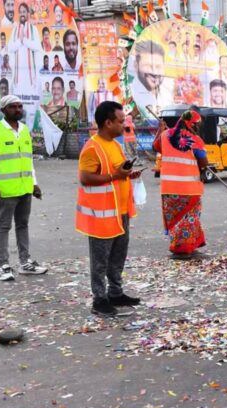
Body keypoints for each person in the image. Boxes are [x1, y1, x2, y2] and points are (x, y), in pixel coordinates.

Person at [76, 101, 142, 316]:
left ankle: (115, 292)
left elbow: (117, 172)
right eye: (121, 121)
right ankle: (99, 299)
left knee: (118, 256)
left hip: (121, 212)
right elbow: (85, 178)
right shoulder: (92, 147)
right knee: (100, 260)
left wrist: (128, 174)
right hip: (101, 216)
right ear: (108, 123)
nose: (125, 125)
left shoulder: (115, 145)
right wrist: (116, 175)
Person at [0, 95, 48, 281]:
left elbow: (28, 159)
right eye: (13, 107)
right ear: (3, 110)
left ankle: (25, 263)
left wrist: (34, 183)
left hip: (25, 187)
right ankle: (3, 265)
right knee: (4, 226)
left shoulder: (25, 130)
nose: (18, 110)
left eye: (19, 106)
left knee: (23, 225)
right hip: (5, 189)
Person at [153, 108, 209, 257]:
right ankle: (182, 249)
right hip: (189, 189)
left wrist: (161, 130)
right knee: (189, 219)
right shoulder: (195, 139)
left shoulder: (165, 135)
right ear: (192, 123)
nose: (198, 128)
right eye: (197, 124)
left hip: (168, 189)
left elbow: (155, 147)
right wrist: (203, 168)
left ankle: (189, 244)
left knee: (176, 219)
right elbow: (204, 162)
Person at [7, 2, 42, 94]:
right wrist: (19, 41)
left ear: (28, 13)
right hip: (18, 76)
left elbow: (37, 46)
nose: (22, 14)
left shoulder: (33, 29)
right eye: (21, 12)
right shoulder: (14, 30)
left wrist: (25, 40)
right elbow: (10, 48)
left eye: (24, 12)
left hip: (30, 77)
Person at [131, 40, 171, 115]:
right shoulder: (130, 94)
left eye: (158, 66)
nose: (154, 72)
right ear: (136, 66)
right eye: (148, 66)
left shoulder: (170, 90)